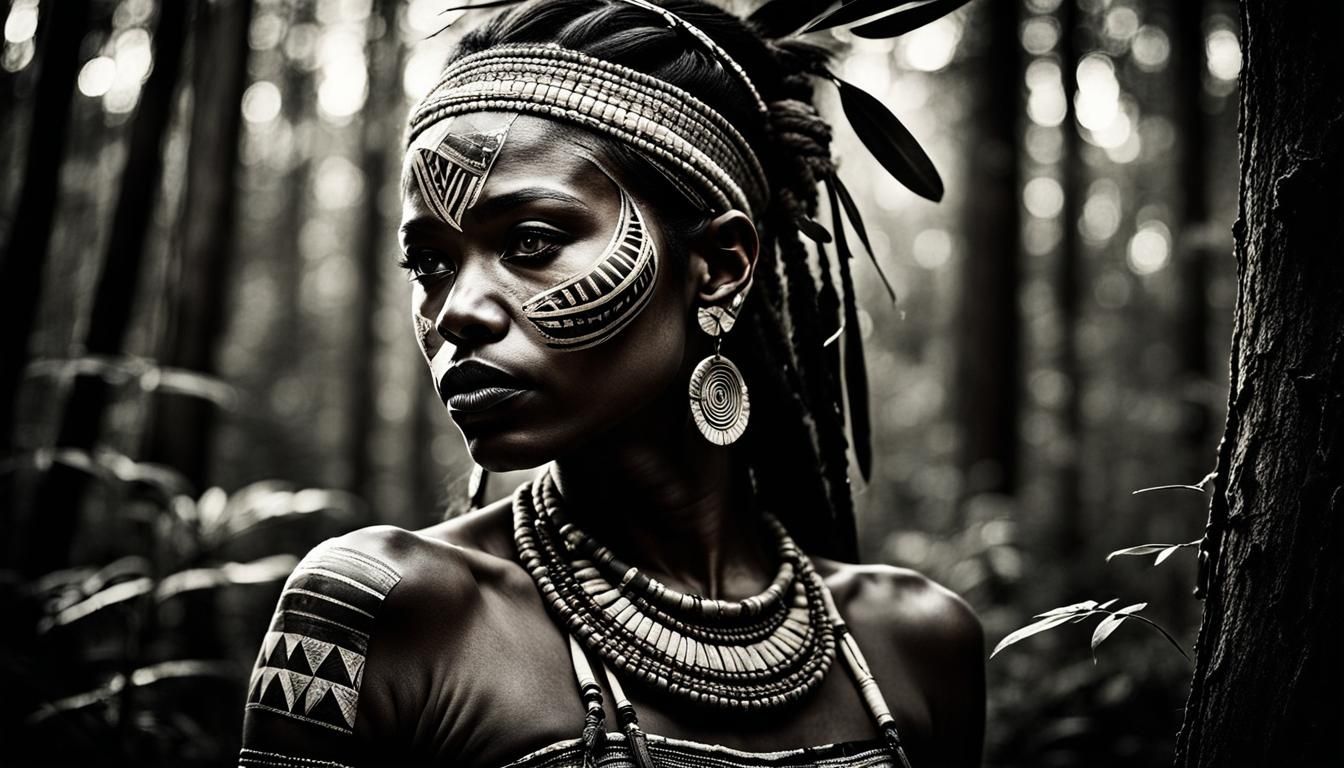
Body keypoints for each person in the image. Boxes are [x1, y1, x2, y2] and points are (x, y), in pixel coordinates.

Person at [238, 1, 985, 766]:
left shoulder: (924, 646)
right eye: (429, 264)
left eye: (531, 241)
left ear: (720, 267)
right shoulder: (382, 611)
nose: (455, 311)